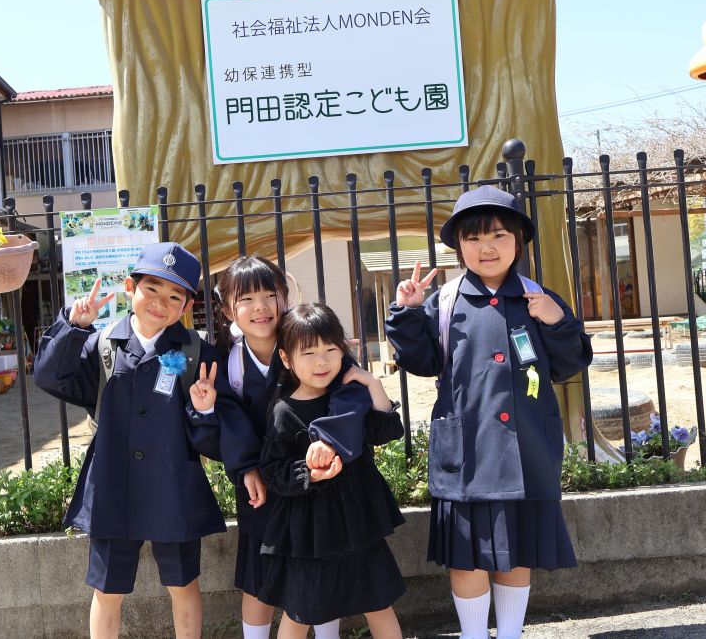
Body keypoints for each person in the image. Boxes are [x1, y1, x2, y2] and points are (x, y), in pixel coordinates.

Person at [385, 186, 592, 639]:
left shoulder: (539, 298)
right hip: (468, 453)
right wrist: (407, 313)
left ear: (519, 241)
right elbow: (423, 362)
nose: (487, 247)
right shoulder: (445, 301)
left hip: (527, 451)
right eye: (474, 237)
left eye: (499, 235)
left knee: (517, 554)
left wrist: (556, 322)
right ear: (459, 246)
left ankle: (512, 633)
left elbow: (570, 364)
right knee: (468, 558)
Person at [33, 242, 265, 639]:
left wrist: (206, 411)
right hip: (113, 486)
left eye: (174, 296)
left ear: (186, 305)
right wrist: (74, 328)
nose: (160, 303)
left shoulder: (197, 352)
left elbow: (219, 432)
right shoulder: (102, 344)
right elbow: (51, 378)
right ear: (130, 287)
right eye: (151, 289)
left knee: (182, 583)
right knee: (107, 587)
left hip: (173, 487)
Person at [211, 256, 402, 639]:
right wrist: (247, 466)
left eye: (270, 294)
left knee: (326, 580)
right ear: (228, 308)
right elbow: (227, 424)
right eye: (246, 298)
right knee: (264, 579)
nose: (261, 306)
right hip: (270, 484)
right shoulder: (227, 361)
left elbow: (354, 400)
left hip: (335, 498)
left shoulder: (311, 335)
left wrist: (330, 441)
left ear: (284, 296)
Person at [258, 302, 406, 639]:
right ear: (286, 358)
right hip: (312, 529)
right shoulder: (284, 411)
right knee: (301, 608)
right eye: (309, 353)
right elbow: (274, 471)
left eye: (330, 349)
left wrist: (372, 384)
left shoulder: (349, 397)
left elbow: (386, 431)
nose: (321, 362)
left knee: (379, 602)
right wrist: (310, 473)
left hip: (359, 521)